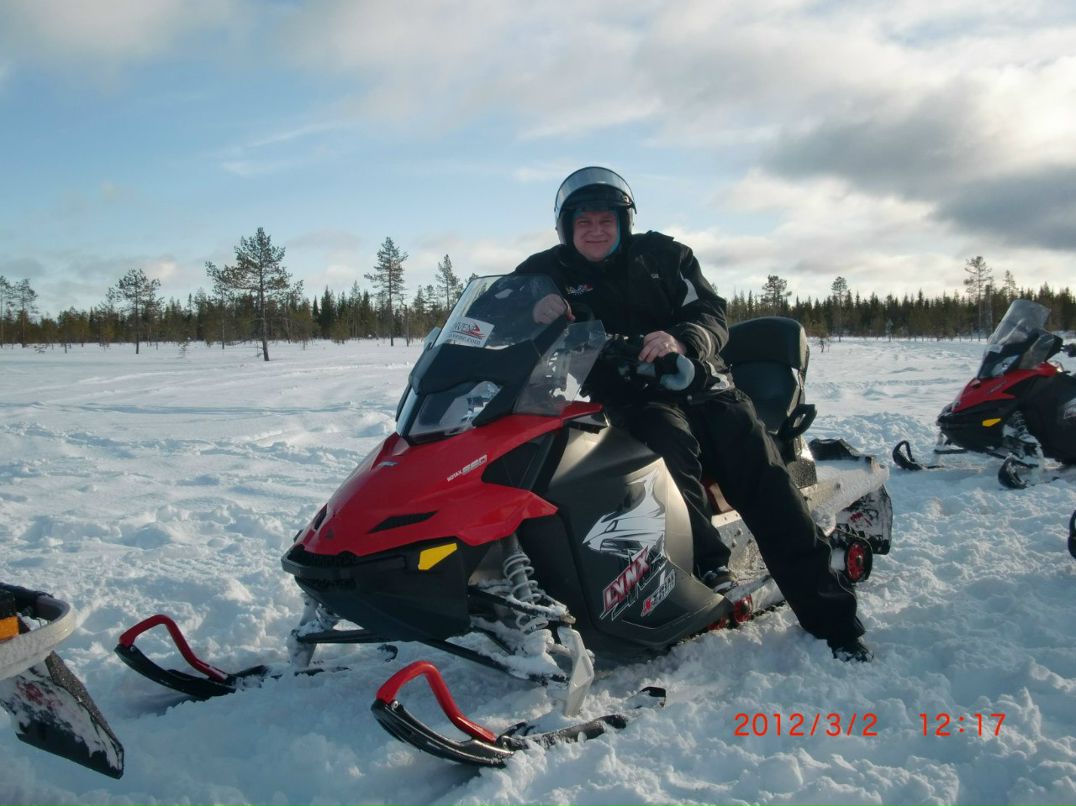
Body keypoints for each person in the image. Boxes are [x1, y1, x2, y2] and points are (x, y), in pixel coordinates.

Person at [515, 166, 871, 662]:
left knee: (763, 479)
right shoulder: (544, 272)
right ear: (566, 227)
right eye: (584, 223)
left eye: (606, 221)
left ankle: (834, 620)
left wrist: (682, 340)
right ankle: (701, 564)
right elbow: (499, 320)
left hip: (700, 383)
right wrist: (530, 311)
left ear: (624, 222)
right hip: (627, 398)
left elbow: (708, 311)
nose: (595, 231)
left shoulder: (664, 257)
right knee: (659, 450)